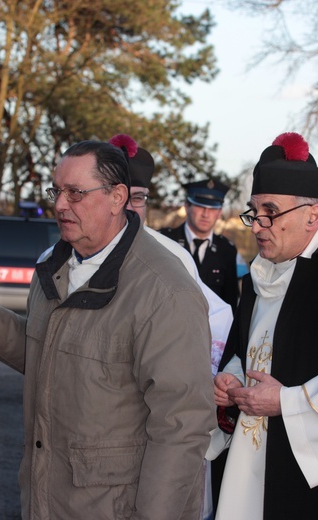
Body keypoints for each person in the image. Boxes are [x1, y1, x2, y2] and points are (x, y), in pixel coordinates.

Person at [0, 140, 217, 520]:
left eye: (75, 192)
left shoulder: (164, 290)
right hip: (46, 501)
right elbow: (42, 355)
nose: (59, 204)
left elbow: (181, 427)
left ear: (117, 197)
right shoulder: (53, 268)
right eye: (56, 190)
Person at [109, 133, 233, 520]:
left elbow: (218, 315)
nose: (132, 207)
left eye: (141, 198)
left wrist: (205, 376)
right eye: (123, 195)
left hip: (156, 409)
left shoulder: (173, 254)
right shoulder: (62, 253)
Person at [209, 132, 318, 520]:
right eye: (253, 213)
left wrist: (287, 402)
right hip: (249, 462)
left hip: (305, 477)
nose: (257, 226)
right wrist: (230, 378)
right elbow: (250, 350)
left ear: (313, 215)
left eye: (270, 212)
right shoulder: (256, 279)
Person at [160, 179, 239, 312]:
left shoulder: (227, 250)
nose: (205, 214)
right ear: (187, 206)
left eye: (212, 208)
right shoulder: (165, 242)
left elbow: (230, 304)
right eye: (200, 206)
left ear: (219, 213)